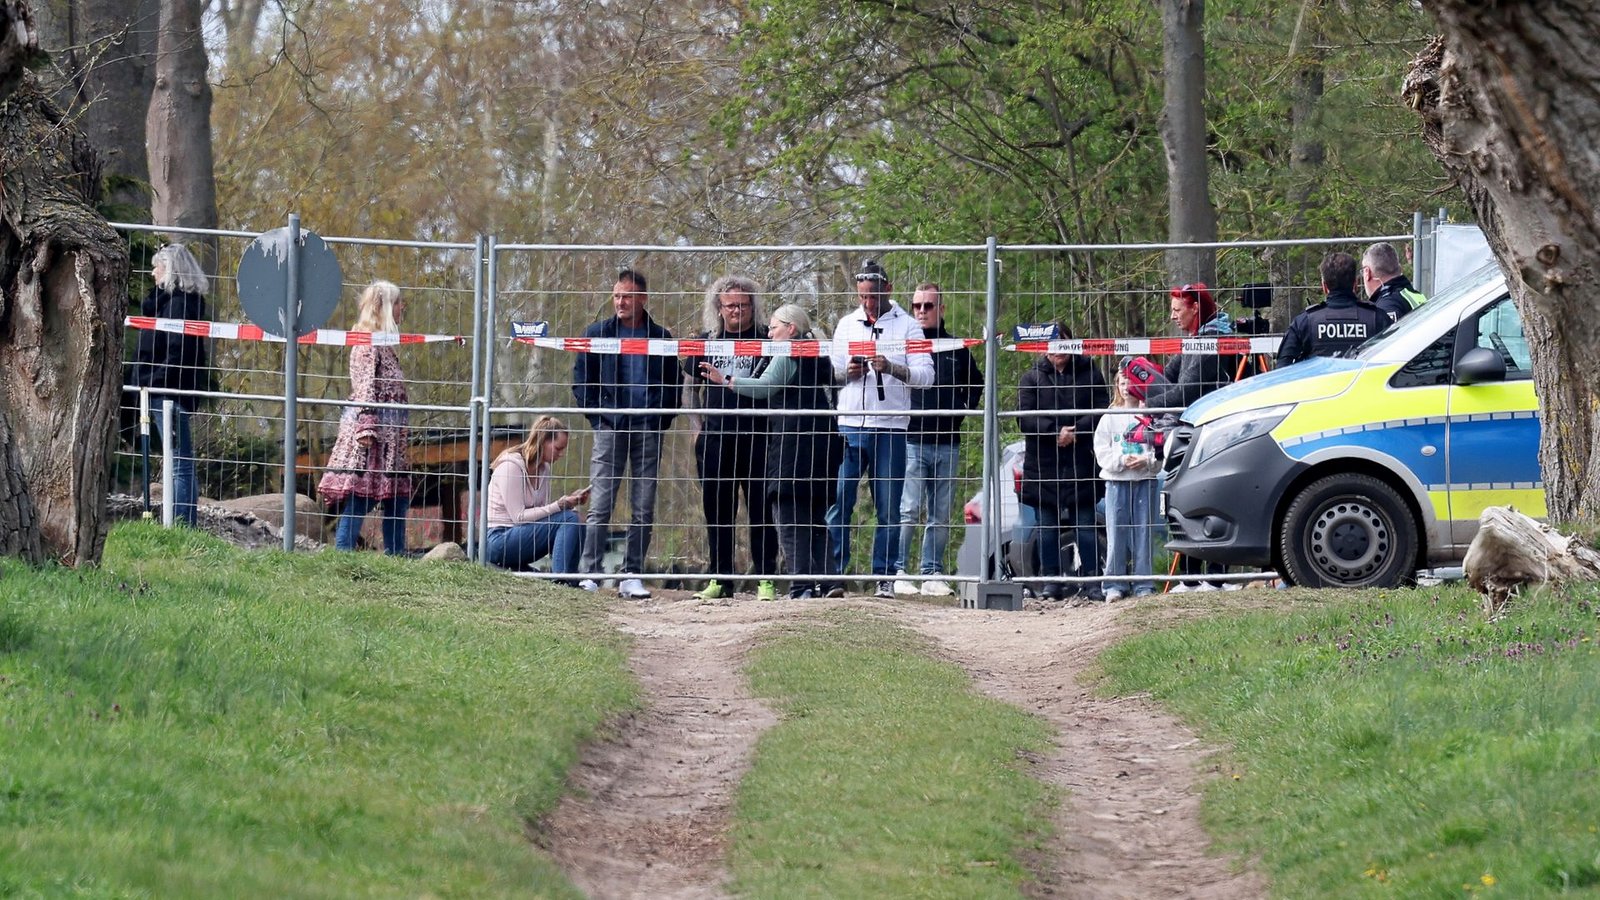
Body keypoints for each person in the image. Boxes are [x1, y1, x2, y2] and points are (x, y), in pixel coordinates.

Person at [701, 304, 843, 599]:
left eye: (774, 327)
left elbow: (765, 386)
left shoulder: (787, 352)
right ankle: (830, 582)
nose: (768, 332)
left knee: (789, 519)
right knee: (817, 520)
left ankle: (802, 586)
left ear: (791, 329)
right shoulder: (819, 353)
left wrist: (726, 380)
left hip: (792, 448)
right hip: (824, 447)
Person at [827, 258, 935, 598]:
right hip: (849, 425)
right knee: (839, 500)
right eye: (862, 297)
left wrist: (892, 368)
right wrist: (847, 374)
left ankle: (885, 575)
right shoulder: (846, 325)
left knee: (888, 506)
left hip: (890, 427)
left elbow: (926, 378)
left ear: (887, 289)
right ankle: (833, 574)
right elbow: (828, 375)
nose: (868, 303)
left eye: (873, 296)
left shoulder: (909, 327)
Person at [572, 269, 678, 599]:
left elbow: (674, 386)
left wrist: (660, 420)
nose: (621, 302)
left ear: (643, 299)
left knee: (643, 505)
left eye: (628, 296)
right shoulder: (597, 334)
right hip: (610, 428)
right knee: (601, 501)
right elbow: (580, 382)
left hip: (648, 427)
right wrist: (599, 419)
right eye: (617, 296)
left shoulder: (662, 338)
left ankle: (632, 574)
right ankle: (590, 572)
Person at [682, 275, 779, 601]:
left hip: (758, 437)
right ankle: (720, 579)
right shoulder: (706, 340)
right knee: (718, 510)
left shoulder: (768, 339)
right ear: (719, 309)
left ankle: (766, 578)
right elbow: (688, 389)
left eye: (742, 304)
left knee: (761, 510)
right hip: (716, 440)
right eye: (730, 305)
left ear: (753, 306)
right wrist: (697, 428)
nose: (736, 310)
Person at [892, 283, 981, 597]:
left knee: (941, 512)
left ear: (941, 309)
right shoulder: (903, 344)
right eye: (916, 306)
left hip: (948, 441)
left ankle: (932, 572)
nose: (921, 311)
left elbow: (976, 384)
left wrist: (961, 410)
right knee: (908, 509)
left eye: (928, 306)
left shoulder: (957, 347)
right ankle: (898, 571)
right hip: (912, 438)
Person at [1145, 282, 1233, 591]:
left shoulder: (1212, 341)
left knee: (1209, 501)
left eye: (1177, 310)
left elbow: (1188, 390)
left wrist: (1150, 404)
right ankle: (1192, 578)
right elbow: (1169, 378)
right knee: (1184, 500)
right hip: (1188, 431)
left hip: (1209, 433)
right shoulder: (1193, 340)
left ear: (1195, 308)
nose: (1173, 317)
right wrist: (1141, 377)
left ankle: (1215, 577)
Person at [317, 281, 413, 555]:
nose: (401, 307)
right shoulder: (366, 343)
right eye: (396, 302)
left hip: (391, 439)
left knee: (397, 496)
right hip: (371, 437)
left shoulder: (385, 345)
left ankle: (396, 556)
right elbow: (364, 386)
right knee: (361, 496)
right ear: (382, 307)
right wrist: (368, 427)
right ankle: (342, 555)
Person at [1016, 332, 1108, 601]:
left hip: (1081, 460)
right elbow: (1024, 417)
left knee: (1085, 525)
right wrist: (1054, 432)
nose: (1057, 350)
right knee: (1046, 528)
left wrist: (1078, 431)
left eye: (1063, 344)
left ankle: (1092, 581)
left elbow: (1102, 406)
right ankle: (1051, 582)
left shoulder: (1089, 371)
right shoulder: (1031, 377)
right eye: (1052, 345)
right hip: (1042, 464)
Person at [130, 243, 216, 526]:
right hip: (167, 390)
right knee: (182, 460)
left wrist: (152, 381)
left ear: (171, 270)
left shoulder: (177, 305)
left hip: (166, 392)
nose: (153, 272)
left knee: (179, 461)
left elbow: (176, 350)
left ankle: (180, 525)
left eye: (159, 266)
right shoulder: (173, 303)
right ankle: (185, 523)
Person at [1094, 357, 1165, 601]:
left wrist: (1147, 461)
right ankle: (1114, 584)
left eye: (1130, 382)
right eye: (1122, 383)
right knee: (1116, 534)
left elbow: (1160, 448)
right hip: (1117, 483)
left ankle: (1144, 583)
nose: (1126, 387)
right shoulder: (1109, 418)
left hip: (1144, 480)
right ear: (1117, 386)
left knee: (1143, 533)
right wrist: (1119, 461)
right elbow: (1101, 450)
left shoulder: (1151, 415)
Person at [485, 415, 589, 577]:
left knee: (576, 518)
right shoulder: (511, 467)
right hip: (498, 539)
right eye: (558, 448)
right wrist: (559, 506)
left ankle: (569, 578)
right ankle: (562, 580)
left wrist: (569, 503)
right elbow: (518, 517)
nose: (561, 454)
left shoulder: (544, 469)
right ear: (543, 442)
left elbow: (543, 516)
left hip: (521, 536)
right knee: (569, 518)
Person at [1278, 252, 1389, 366]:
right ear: (1355, 284)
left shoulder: (1305, 322)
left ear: (1324, 287)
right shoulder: (1378, 318)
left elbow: (1282, 367)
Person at [1362, 241, 1427, 323]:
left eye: (1363, 271)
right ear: (1399, 268)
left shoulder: (1386, 306)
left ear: (1367, 272)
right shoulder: (1410, 293)